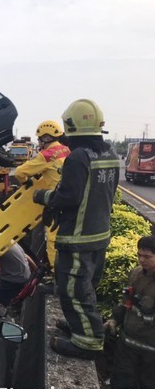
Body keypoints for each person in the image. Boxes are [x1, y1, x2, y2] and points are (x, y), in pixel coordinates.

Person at [33, 98, 120, 360]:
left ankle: (88, 341)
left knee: (73, 288)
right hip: (99, 234)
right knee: (87, 285)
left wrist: (43, 196)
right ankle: (77, 325)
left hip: (78, 237)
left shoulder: (78, 158)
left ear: (70, 127)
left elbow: (69, 197)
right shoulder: (111, 154)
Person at [107, 235, 155, 389]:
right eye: (139, 255)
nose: (142, 260)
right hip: (127, 346)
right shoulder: (136, 274)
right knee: (122, 388)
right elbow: (126, 302)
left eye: (148, 257)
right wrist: (114, 320)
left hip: (152, 352)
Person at [14, 120, 71, 269]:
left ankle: (55, 274)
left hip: (56, 202)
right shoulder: (66, 150)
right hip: (72, 198)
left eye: (40, 139)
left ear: (46, 138)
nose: (39, 142)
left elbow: (20, 172)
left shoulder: (46, 155)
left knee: (52, 238)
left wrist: (26, 182)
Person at [0, 240, 38, 306]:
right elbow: (26, 256)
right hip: (26, 275)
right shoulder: (4, 237)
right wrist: (36, 270)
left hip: (15, 279)